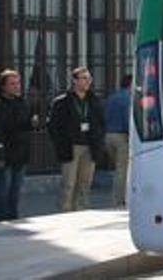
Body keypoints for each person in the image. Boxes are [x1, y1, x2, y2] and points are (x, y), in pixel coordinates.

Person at [48, 67, 106, 213]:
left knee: (85, 183)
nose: (88, 82)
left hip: (90, 146)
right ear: (75, 80)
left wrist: (99, 141)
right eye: (84, 78)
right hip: (71, 146)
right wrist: (60, 144)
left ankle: (81, 212)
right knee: (69, 183)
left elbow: (101, 123)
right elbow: (53, 126)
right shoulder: (62, 102)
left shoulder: (94, 101)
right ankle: (65, 212)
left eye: (89, 78)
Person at [0, 70, 34, 221]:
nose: (17, 86)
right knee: (3, 189)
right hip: (5, 152)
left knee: (16, 189)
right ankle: (1, 219)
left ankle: (13, 217)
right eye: (12, 83)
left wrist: (32, 123)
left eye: (18, 83)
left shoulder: (22, 102)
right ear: (3, 86)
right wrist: (0, 153)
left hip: (21, 152)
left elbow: (25, 125)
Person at [103, 74, 132, 208]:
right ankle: (119, 200)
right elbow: (128, 120)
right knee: (122, 170)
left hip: (108, 136)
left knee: (118, 168)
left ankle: (117, 198)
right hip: (121, 137)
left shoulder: (111, 98)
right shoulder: (128, 99)